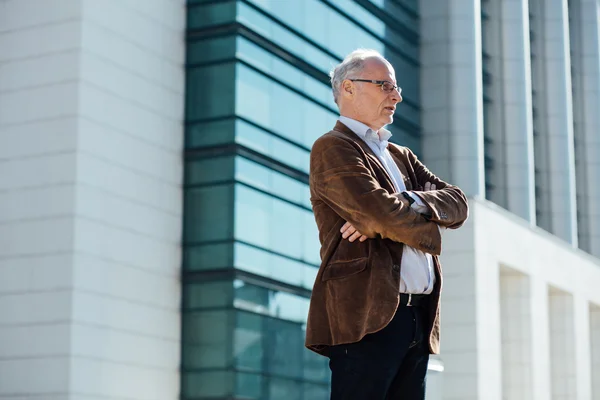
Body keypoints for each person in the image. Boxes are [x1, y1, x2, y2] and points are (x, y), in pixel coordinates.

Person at [305, 49, 469, 400]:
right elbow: (377, 214)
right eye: (385, 86)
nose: (397, 96)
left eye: (395, 88)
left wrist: (408, 202)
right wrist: (427, 224)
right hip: (365, 319)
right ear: (348, 88)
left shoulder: (401, 155)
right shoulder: (333, 147)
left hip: (418, 318)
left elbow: (457, 203)